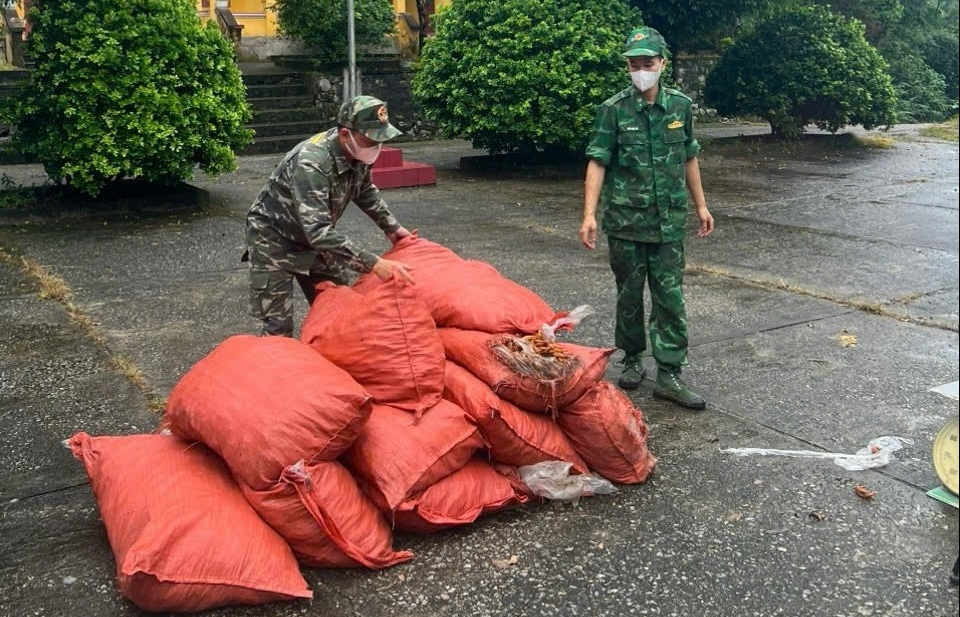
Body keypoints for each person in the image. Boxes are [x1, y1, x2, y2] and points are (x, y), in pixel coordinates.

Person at [580, 26, 714, 410]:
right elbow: (597, 161)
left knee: (670, 298)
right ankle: (633, 357)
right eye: (634, 64)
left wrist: (701, 206)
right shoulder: (613, 110)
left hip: (669, 221)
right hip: (625, 222)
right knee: (629, 295)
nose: (641, 70)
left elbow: (689, 157)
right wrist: (589, 214)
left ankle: (670, 374)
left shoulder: (680, 107)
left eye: (648, 63)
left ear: (663, 64)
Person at [244, 95, 415, 337]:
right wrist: (374, 263)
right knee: (279, 328)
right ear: (345, 134)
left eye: (380, 140)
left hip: (314, 239)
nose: (376, 147)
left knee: (343, 305)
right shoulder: (311, 163)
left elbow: (364, 190)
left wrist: (392, 228)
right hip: (275, 241)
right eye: (371, 140)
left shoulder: (358, 152)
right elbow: (318, 232)